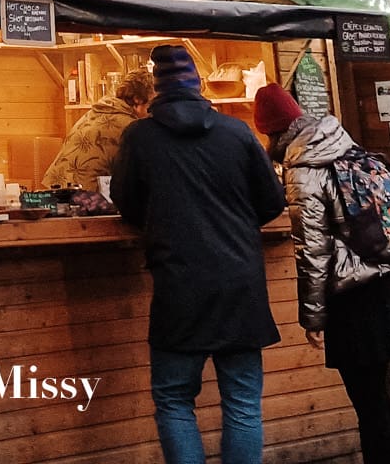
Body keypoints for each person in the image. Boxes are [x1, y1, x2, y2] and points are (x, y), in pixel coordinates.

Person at [112, 44, 285, 464]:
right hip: (241, 282)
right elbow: (273, 202)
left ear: (157, 90)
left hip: (179, 284)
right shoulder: (237, 132)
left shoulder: (140, 137)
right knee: (243, 403)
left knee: (174, 400)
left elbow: (126, 204)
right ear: (198, 86)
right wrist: (235, 228)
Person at [256, 85, 390, 464]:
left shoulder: (304, 169)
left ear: (273, 132)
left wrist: (313, 317)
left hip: (354, 298)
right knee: (379, 393)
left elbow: (312, 251)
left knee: (367, 398)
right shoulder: (347, 146)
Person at [43, 67, 152, 189]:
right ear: (138, 99)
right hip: (87, 198)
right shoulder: (129, 126)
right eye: (153, 104)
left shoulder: (96, 113)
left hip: (54, 191)